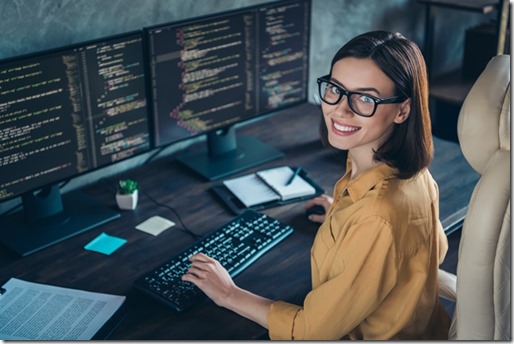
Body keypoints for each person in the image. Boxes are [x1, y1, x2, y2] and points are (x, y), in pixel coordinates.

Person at [182, 30, 451, 340]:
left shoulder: (378, 215)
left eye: (366, 98)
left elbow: (312, 330)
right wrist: (344, 221)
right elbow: (435, 250)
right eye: (336, 88)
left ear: (403, 110)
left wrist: (228, 293)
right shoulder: (414, 175)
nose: (340, 109)